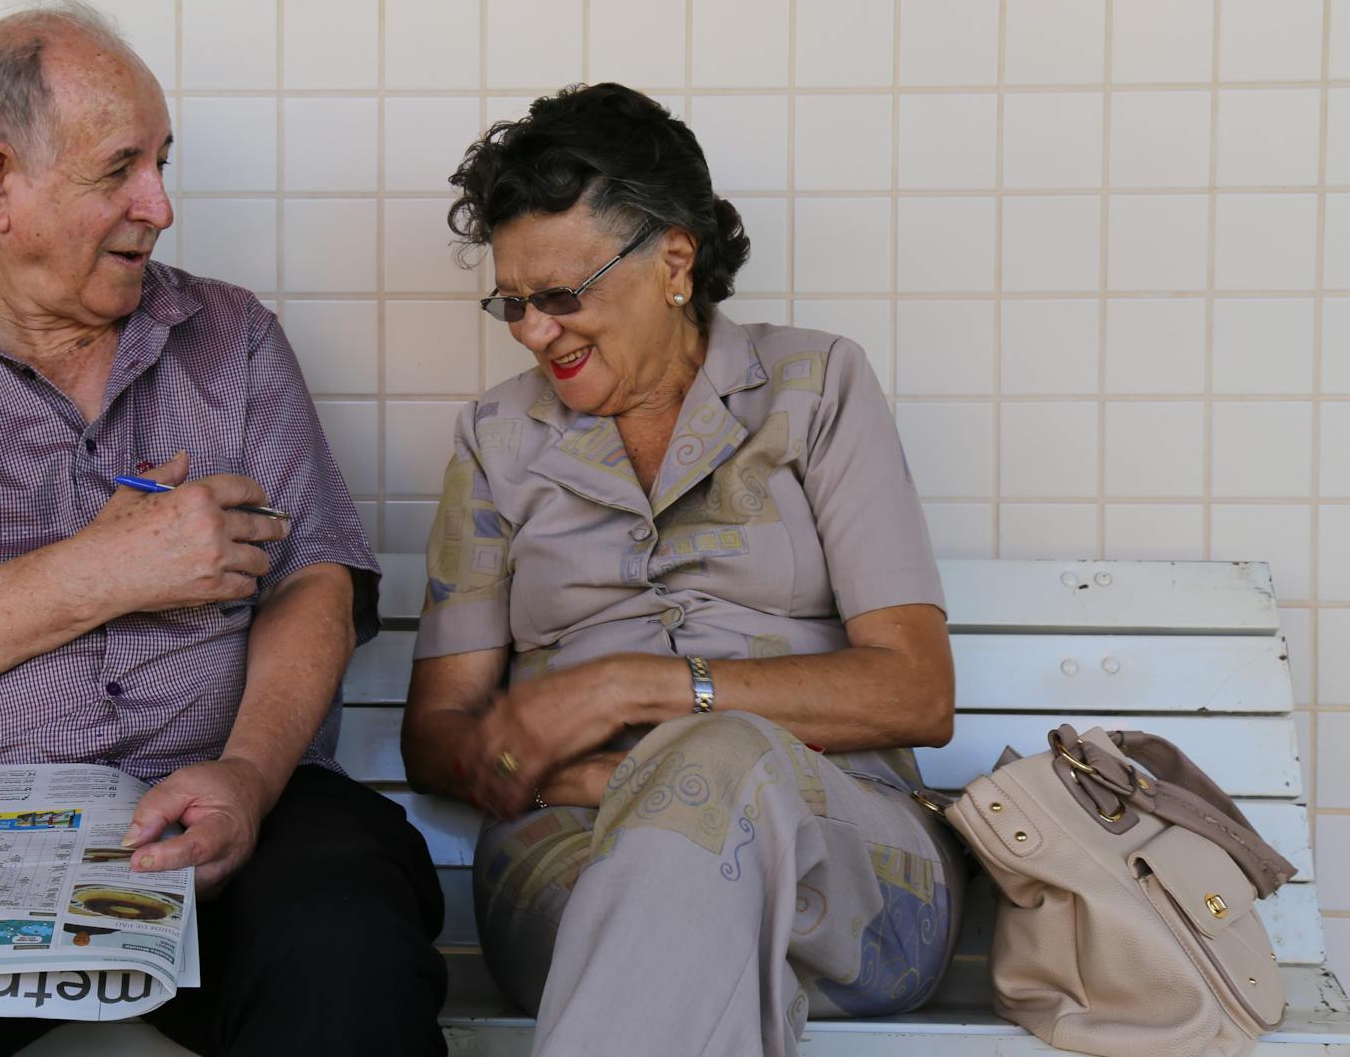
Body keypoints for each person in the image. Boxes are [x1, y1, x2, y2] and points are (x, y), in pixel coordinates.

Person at [0, 0, 446, 1056]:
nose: (158, 203)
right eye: (119, 169)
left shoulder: (230, 338)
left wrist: (245, 775)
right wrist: (101, 570)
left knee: (348, 960)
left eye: (162, 161)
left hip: (240, 805)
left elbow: (314, 580)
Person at [399, 82, 963, 1057]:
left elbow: (917, 690)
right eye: (514, 302)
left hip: (844, 854)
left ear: (673, 259)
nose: (537, 331)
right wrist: (592, 774)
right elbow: (438, 732)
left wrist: (635, 693)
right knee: (693, 904)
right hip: (577, 846)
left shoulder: (816, 386)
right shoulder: (496, 437)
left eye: (564, 296)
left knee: (715, 769)